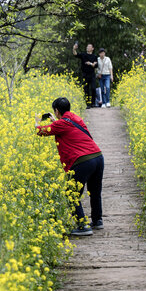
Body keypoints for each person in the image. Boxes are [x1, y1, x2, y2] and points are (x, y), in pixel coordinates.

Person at [35, 97, 104, 236]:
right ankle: (97, 221)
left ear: (56, 110)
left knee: (70, 194)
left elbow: (41, 131)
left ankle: (83, 225)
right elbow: (66, 127)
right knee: (95, 192)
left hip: (83, 160)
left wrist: (37, 122)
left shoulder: (61, 124)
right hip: (98, 156)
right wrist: (56, 121)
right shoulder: (75, 118)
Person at [72, 43, 100, 108]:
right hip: (85, 74)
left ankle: (93, 103)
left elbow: (95, 65)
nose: (88, 47)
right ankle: (88, 104)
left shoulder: (94, 56)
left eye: (89, 47)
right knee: (86, 89)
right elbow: (75, 54)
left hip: (92, 74)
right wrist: (74, 49)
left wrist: (90, 63)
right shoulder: (83, 55)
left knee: (93, 88)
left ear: (92, 48)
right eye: (87, 46)